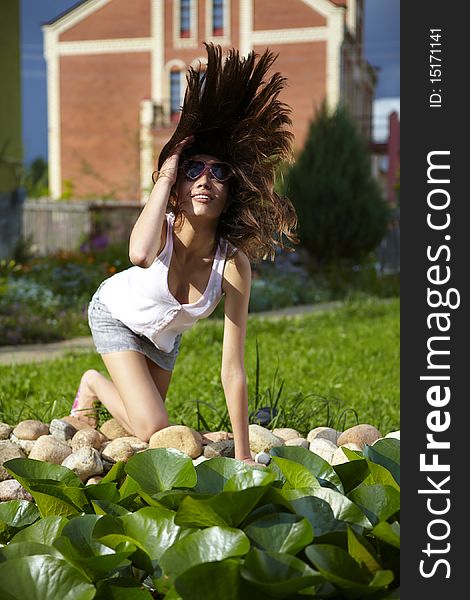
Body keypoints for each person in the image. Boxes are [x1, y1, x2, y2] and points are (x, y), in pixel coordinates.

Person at [70, 43, 298, 466]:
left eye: (219, 172)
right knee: (154, 428)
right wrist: (167, 175)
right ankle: (93, 383)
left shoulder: (233, 266)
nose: (205, 179)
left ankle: (104, 392)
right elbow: (138, 254)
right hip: (114, 314)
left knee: (149, 422)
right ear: (178, 186)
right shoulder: (162, 231)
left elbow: (232, 367)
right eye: (194, 169)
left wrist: (244, 455)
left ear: (231, 192)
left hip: (163, 340)